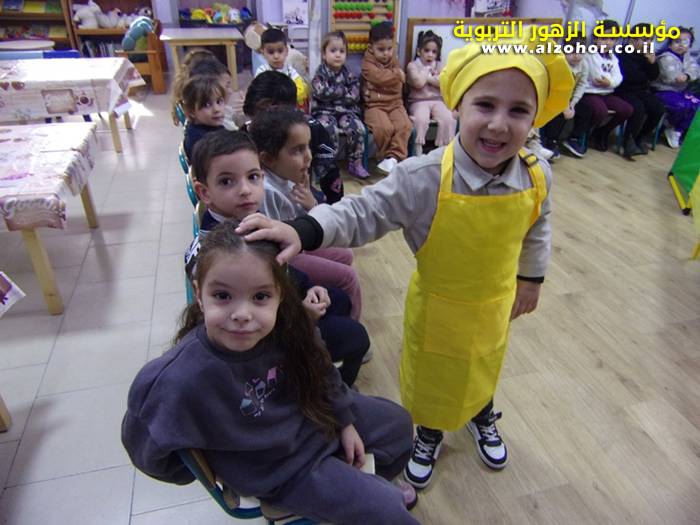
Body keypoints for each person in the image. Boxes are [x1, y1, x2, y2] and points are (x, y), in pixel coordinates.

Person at [237, 28, 574, 488]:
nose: (499, 124)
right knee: (433, 378)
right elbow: (363, 211)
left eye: (518, 110)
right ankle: (429, 433)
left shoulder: (537, 176)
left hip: (495, 305)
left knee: (483, 364)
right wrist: (304, 228)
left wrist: (531, 278)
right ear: (457, 105)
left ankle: (481, 412)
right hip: (438, 309)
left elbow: (538, 225)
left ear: (536, 118)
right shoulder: (424, 177)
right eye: (485, 105)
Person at [123, 220, 419, 525]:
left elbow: (320, 366)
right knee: (387, 511)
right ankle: (358, 495)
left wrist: (344, 420)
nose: (242, 315)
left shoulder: (288, 326)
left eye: (260, 297)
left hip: (314, 419)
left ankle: (359, 486)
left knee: (399, 426)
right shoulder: (178, 378)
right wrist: (216, 465)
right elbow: (148, 450)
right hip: (280, 470)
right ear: (199, 294)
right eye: (222, 296)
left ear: (280, 294)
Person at [184, 130, 369, 385]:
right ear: (204, 192)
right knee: (357, 337)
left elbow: (280, 269)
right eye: (227, 181)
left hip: (278, 307)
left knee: (337, 298)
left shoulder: (246, 222)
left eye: (253, 177)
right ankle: (323, 391)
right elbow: (245, 317)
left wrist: (309, 288)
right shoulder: (226, 248)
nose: (245, 190)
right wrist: (302, 315)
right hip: (262, 340)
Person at [249, 107, 363, 322]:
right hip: (284, 258)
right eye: (297, 150)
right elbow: (276, 246)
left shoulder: (287, 175)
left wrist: (311, 203)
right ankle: (350, 326)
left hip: (295, 244)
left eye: (308, 146)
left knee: (346, 254)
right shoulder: (266, 191)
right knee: (348, 278)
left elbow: (306, 221)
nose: (309, 156)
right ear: (268, 159)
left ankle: (330, 303)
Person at [244, 71, 344, 204]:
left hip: (301, 193)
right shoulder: (246, 135)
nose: (259, 125)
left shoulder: (312, 129)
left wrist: (331, 210)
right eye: (254, 117)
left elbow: (330, 175)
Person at [311, 31, 370, 180]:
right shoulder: (320, 74)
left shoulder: (348, 74)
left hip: (346, 112)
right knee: (327, 130)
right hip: (324, 112)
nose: (338, 55)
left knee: (357, 128)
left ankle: (355, 162)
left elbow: (354, 95)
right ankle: (327, 164)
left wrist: (334, 93)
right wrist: (343, 91)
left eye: (342, 51)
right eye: (333, 51)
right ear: (324, 54)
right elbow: (320, 92)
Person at [361, 22, 413, 174]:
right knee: (384, 128)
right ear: (371, 48)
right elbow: (379, 77)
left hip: (395, 103)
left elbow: (397, 85)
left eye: (390, 49)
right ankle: (384, 157)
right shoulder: (367, 64)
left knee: (405, 125)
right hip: (374, 106)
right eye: (381, 49)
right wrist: (397, 75)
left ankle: (394, 158)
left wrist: (389, 80)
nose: (386, 54)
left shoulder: (393, 60)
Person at [579, 19, 635, 154]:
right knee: (600, 111)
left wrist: (609, 83)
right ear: (595, 39)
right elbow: (596, 76)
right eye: (604, 38)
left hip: (607, 93)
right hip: (590, 92)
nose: (608, 42)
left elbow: (618, 77)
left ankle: (602, 133)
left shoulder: (613, 58)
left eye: (612, 39)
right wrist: (609, 81)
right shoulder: (589, 54)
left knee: (627, 109)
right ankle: (584, 133)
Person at [615, 24, 666, 156]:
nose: (647, 43)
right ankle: (628, 142)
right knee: (638, 109)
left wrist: (652, 63)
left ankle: (641, 137)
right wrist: (645, 73)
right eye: (644, 40)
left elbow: (654, 76)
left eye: (650, 40)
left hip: (641, 90)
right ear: (632, 39)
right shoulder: (623, 53)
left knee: (658, 109)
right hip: (623, 90)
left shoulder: (647, 55)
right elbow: (630, 77)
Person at [406, 30, 456, 156]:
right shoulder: (413, 66)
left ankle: (444, 149)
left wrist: (428, 78)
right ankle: (417, 149)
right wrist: (427, 71)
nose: (430, 55)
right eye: (427, 50)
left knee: (448, 118)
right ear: (419, 51)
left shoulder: (440, 65)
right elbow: (418, 83)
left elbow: (443, 82)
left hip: (437, 100)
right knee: (420, 119)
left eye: (434, 52)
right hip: (418, 101)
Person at [651, 27, 700, 148]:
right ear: (670, 43)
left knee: (696, 104)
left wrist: (687, 75)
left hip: (680, 91)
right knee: (682, 105)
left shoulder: (688, 57)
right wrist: (683, 76)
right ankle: (668, 124)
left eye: (685, 42)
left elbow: (695, 70)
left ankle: (678, 130)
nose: (681, 45)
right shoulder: (665, 57)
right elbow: (671, 76)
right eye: (677, 41)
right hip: (663, 91)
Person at [547, 35, 591, 158]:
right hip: (555, 96)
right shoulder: (560, 63)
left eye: (580, 52)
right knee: (558, 112)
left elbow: (582, 84)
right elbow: (556, 87)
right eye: (572, 51)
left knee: (587, 110)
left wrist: (572, 103)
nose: (576, 56)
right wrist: (565, 105)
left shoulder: (584, 65)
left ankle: (573, 139)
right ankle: (550, 142)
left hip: (570, 98)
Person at [255, 27, 308, 108]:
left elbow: (301, 90)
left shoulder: (290, 71)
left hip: (287, 108)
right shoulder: (262, 72)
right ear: (263, 53)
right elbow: (260, 93)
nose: (276, 56)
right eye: (271, 52)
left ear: (286, 51)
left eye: (280, 51)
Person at [181, 75, 226, 160]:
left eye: (219, 101)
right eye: (207, 105)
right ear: (191, 112)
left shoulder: (203, 128)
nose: (216, 109)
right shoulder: (204, 142)